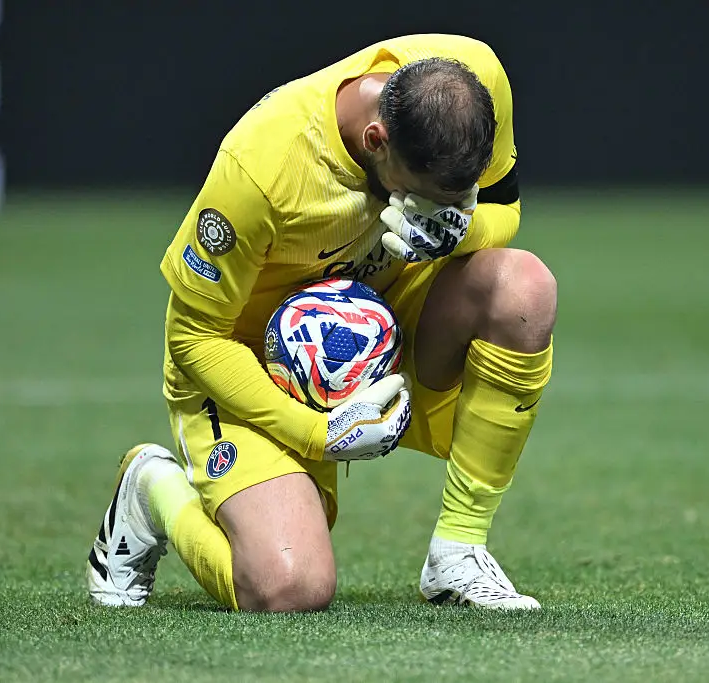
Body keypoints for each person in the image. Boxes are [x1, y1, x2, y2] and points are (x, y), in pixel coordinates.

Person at [86, 33, 557, 612]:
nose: (443, 211)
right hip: (255, 356)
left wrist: (463, 232)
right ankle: (152, 489)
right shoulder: (260, 169)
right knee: (289, 588)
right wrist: (315, 433)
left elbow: (504, 210)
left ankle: (458, 551)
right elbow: (195, 337)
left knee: (524, 288)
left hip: (388, 314)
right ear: (375, 140)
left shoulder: (476, 78)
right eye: (422, 197)